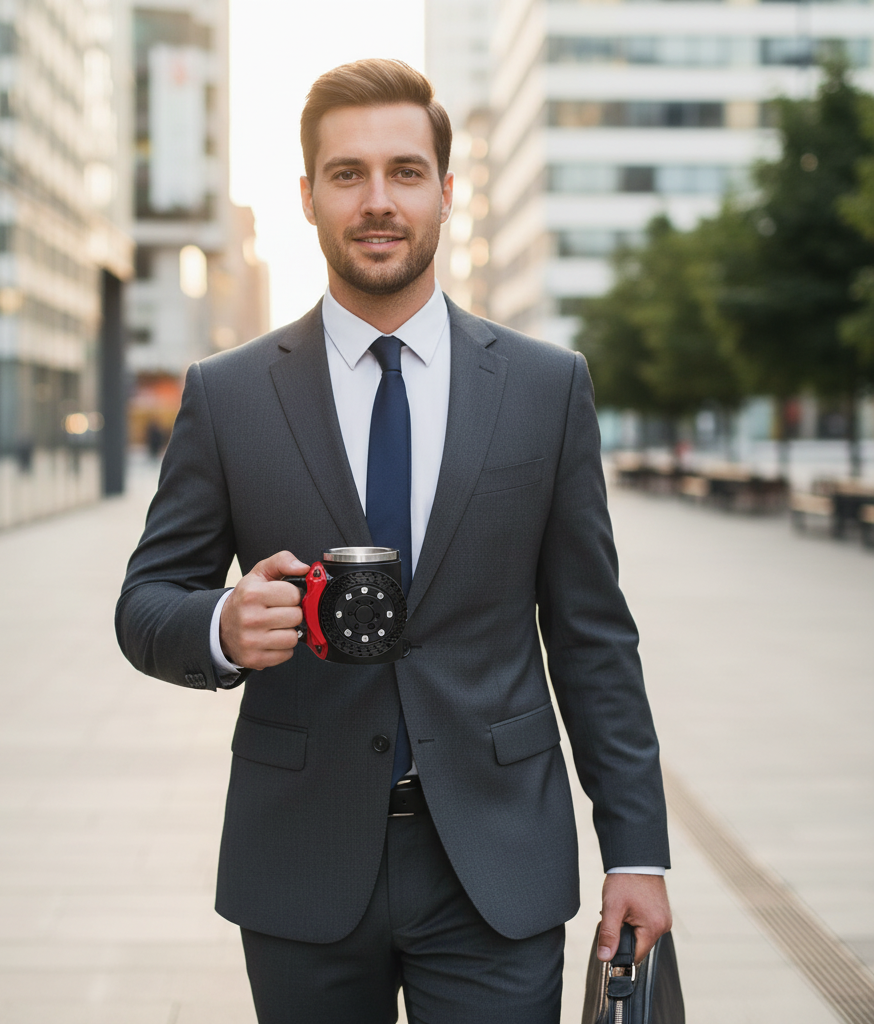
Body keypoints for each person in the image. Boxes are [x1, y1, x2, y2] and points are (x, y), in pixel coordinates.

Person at [117, 58, 671, 1024]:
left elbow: (593, 639)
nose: (379, 201)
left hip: (497, 862)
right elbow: (146, 601)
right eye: (348, 174)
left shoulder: (546, 390)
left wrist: (637, 851)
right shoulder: (229, 394)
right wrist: (220, 624)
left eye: (406, 172)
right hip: (300, 861)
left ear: (448, 193)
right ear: (307, 195)